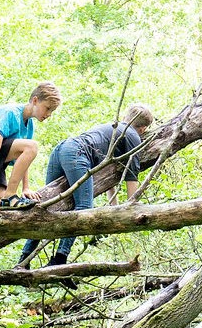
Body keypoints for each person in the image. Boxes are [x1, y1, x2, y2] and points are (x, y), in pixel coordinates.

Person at [18, 105, 157, 268]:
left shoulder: (112, 128)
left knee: (47, 207)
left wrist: (114, 204)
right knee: (84, 207)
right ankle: (60, 258)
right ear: (143, 128)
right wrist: (131, 207)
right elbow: (132, 174)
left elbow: (106, 172)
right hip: (76, 153)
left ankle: (24, 259)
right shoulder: (133, 135)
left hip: (62, 149)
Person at [0, 82, 61, 210]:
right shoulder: (11, 112)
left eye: (52, 111)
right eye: (47, 108)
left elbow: (23, 159)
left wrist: (25, 188)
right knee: (32, 146)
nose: (49, 114)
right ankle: (10, 195)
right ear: (35, 100)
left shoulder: (29, 126)